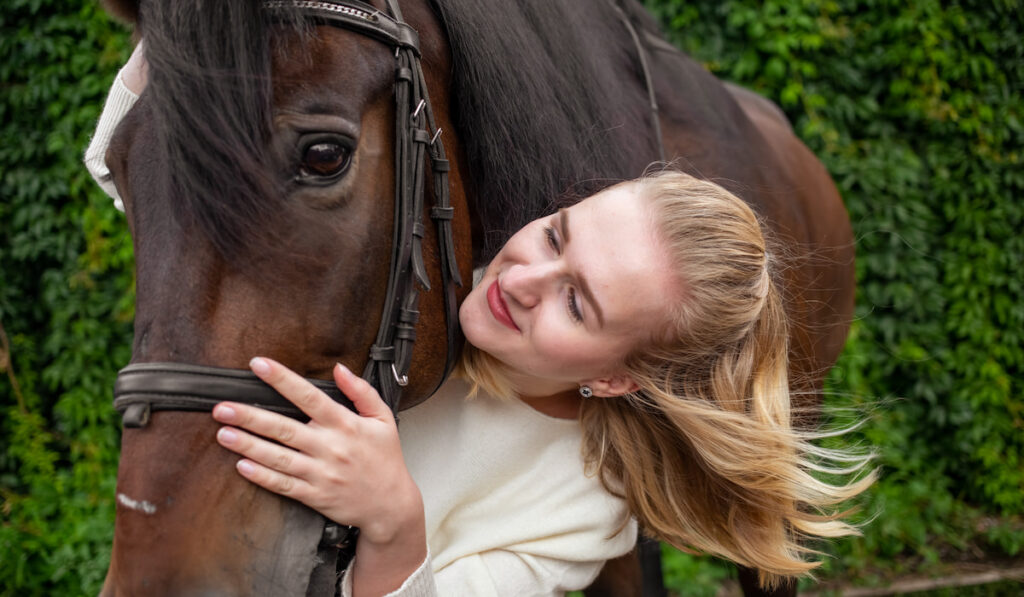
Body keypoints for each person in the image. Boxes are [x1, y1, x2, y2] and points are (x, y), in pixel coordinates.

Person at [86, 46, 874, 597]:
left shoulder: (578, 510)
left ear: (613, 375)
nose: (524, 275)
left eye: (577, 300)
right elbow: (174, 206)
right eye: (558, 232)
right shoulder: (425, 280)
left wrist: (395, 523)